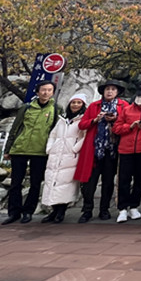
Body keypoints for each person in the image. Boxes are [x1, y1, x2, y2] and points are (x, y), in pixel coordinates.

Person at [3, 80, 62, 225]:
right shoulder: (26, 107)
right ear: (37, 91)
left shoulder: (56, 108)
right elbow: (15, 128)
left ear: (53, 92)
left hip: (40, 151)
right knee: (16, 182)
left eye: (49, 90)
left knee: (35, 183)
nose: (46, 93)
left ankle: (28, 211)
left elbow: (56, 131)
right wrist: (8, 149)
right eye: (43, 90)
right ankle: (14, 212)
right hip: (20, 149)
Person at [76, 78, 128, 223]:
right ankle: (87, 209)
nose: (110, 91)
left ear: (117, 92)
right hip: (94, 149)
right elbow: (82, 124)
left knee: (108, 181)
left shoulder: (123, 106)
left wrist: (116, 119)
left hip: (112, 149)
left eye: (113, 89)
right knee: (89, 182)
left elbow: (127, 123)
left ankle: (104, 209)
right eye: (107, 89)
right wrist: (95, 120)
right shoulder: (94, 106)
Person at [40, 92, 87, 224]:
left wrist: (75, 149)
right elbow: (53, 135)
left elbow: (85, 136)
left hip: (70, 156)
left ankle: (61, 211)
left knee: (66, 184)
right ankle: (53, 211)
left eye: (79, 103)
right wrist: (50, 148)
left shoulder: (83, 119)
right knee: (52, 182)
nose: (75, 105)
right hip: (56, 155)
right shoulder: (62, 119)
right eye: (73, 102)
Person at [112, 89, 141, 223]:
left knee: (140, 179)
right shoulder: (127, 110)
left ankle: (134, 205)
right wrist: (130, 126)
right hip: (126, 149)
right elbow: (116, 128)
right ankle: (122, 208)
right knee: (123, 180)